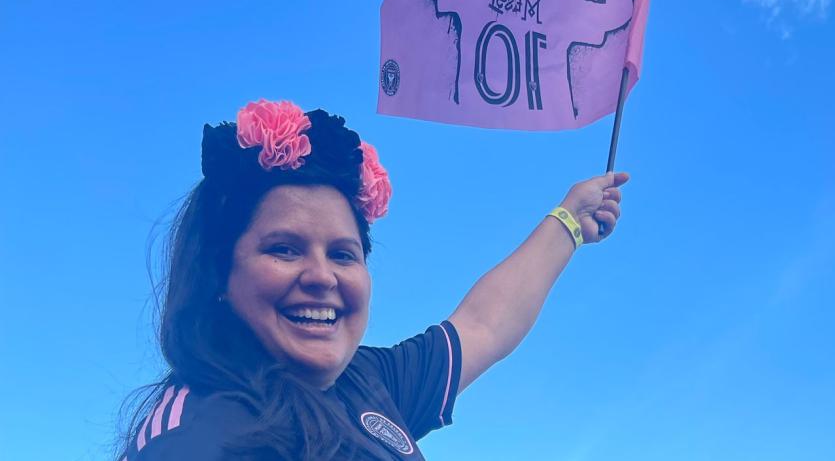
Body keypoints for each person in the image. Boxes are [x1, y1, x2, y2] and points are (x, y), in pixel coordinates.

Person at [116, 99, 628, 460]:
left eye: (343, 254)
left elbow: (484, 326)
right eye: (284, 249)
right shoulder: (195, 435)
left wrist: (567, 221)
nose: (321, 276)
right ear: (219, 273)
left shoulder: (370, 381)